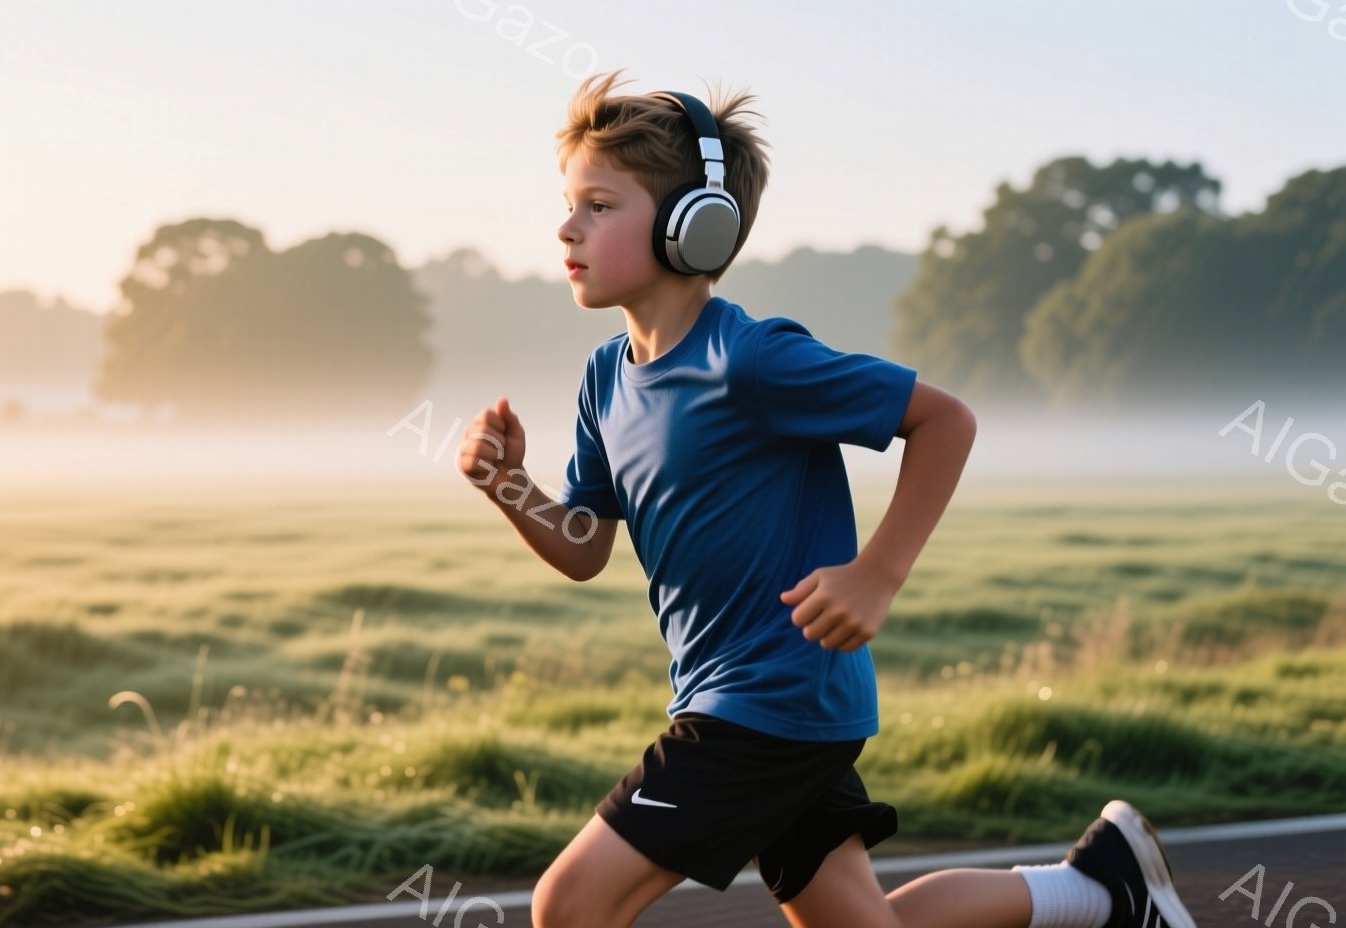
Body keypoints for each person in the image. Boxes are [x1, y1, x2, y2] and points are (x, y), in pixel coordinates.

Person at [455, 69, 1196, 928]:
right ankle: (1104, 888)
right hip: (753, 698)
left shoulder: (753, 359)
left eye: (599, 205)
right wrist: (511, 487)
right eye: (569, 204)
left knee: (569, 904)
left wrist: (877, 573)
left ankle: (1104, 891)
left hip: (770, 701)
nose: (567, 226)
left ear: (695, 225)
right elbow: (586, 545)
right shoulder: (603, 379)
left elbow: (944, 422)